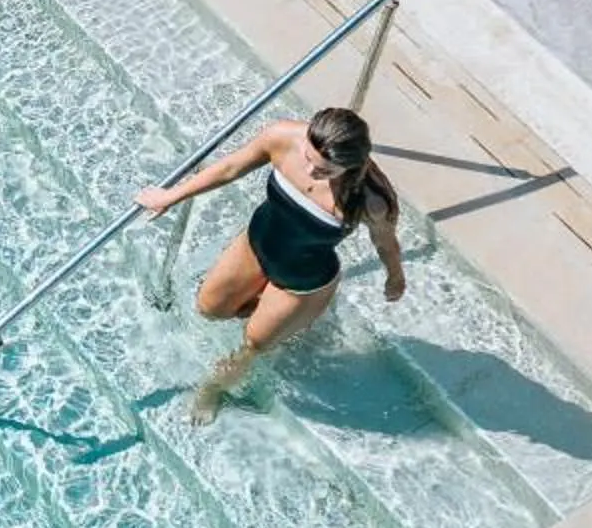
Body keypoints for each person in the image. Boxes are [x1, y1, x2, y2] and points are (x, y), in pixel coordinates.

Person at [135, 106, 404, 422]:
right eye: (308, 158)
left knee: (254, 343)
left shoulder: (371, 200)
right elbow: (230, 168)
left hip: (303, 278)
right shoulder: (282, 137)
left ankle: (214, 389)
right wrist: (170, 196)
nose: (311, 171)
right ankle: (273, 309)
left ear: (351, 166)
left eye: (325, 171)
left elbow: (385, 243)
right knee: (210, 308)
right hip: (257, 244)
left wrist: (395, 277)